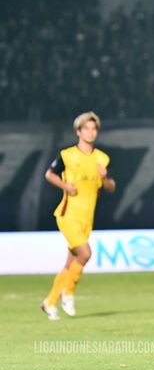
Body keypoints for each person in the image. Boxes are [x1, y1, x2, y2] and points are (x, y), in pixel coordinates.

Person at [41, 111, 116, 320]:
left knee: (70, 263)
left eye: (94, 129)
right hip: (68, 214)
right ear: (78, 131)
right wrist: (65, 186)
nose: (91, 132)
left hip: (86, 217)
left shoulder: (102, 158)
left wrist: (106, 177)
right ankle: (69, 292)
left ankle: (49, 302)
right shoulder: (67, 155)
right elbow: (49, 174)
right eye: (86, 128)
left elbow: (110, 186)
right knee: (85, 254)